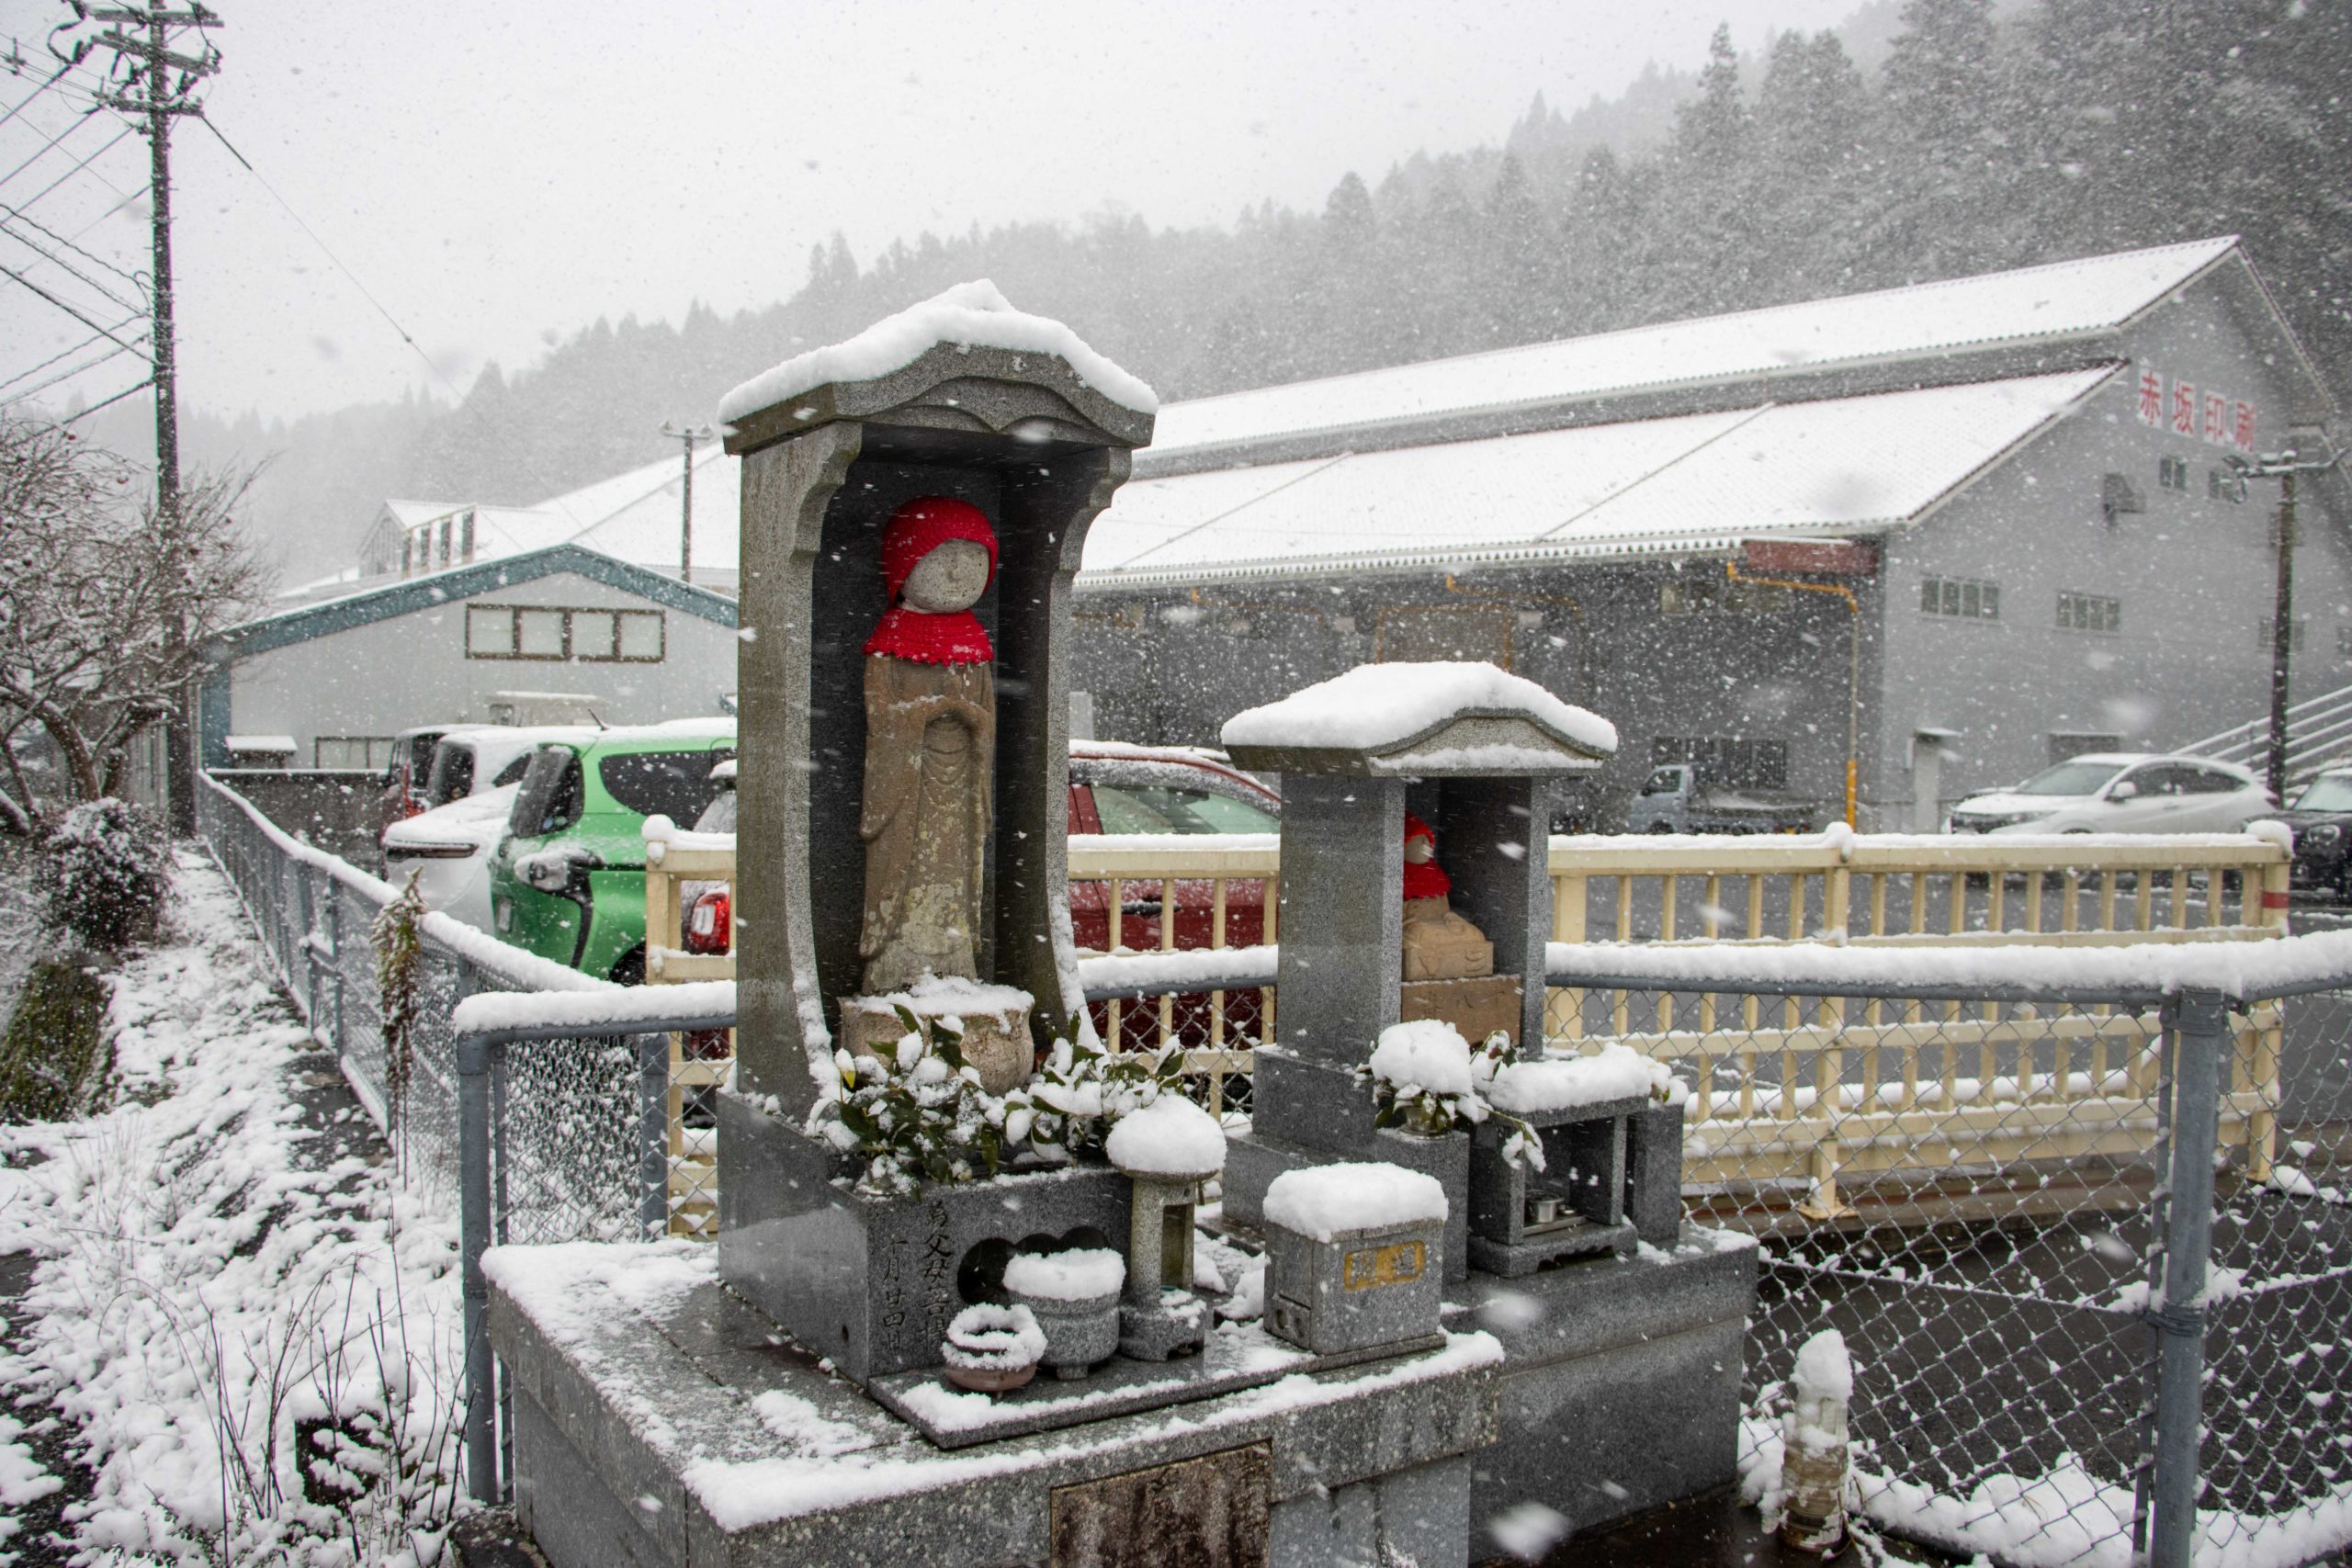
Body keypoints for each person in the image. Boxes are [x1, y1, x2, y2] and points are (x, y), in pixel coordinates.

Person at [858, 496, 998, 994]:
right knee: (904, 862)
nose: (961, 573)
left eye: (974, 561)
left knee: (958, 867)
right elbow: (880, 716)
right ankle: (897, 963)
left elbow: (988, 719)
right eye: (945, 558)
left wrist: (972, 720)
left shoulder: (974, 645)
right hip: (906, 782)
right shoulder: (890, 638)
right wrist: (921, 715)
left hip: (960, 783)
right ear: (906, 562)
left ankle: (955, 959)